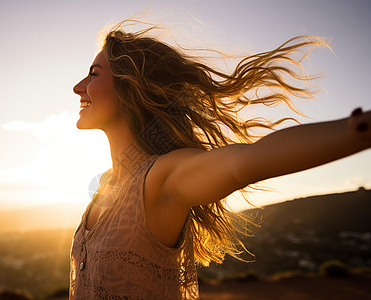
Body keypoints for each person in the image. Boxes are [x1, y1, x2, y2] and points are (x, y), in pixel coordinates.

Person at [69, 21, 371, 299]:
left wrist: (355, 133)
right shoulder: (105, 184)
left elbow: (246, 162)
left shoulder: (160, 179)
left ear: (131, 85)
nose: (78, 86)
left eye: (94, 74)